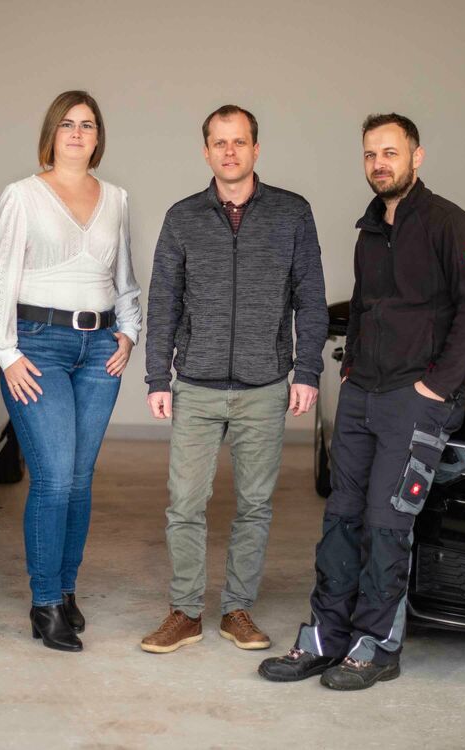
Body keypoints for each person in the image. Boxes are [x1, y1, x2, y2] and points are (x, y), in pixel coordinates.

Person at [259, 113, 465, 690]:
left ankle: (377, 646)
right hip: (363, 393)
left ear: (417, 156)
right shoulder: (369, 230)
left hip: (415, 399)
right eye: (370, 154)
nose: (379, 163)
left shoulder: (449, 224)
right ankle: (325, 635)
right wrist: (351, 372)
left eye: (391, 152)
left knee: (387, 523)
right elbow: (365, 308)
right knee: (341, 517)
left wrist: (435, 387)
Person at [141, 105, 328, 654]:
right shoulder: (182, 217)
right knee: (184, 504)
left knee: (255, 506)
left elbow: (311, 299)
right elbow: (163, 301)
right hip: (196, 386)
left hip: (264, 385)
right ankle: (185, 612)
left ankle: (237, 610)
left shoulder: (292, 213)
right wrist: (157, 377)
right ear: (206, 152)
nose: (229, 151)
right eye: (219, 143)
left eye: (239, 141)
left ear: (256, 148)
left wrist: (307, 370)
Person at [0, 90, 142, 652]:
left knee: (78, 478)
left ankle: (66, 590)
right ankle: (45, 602)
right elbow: (0, 276)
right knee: (52, 478)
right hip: (37, 347)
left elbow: (124, 277)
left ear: (99, 137)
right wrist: (5, 352)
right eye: (68, 123)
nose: (77, 133)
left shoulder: (116, 198)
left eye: (88, 125)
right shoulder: (22, 195)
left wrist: (129, 330)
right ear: (51, 133)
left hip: (99, 349)